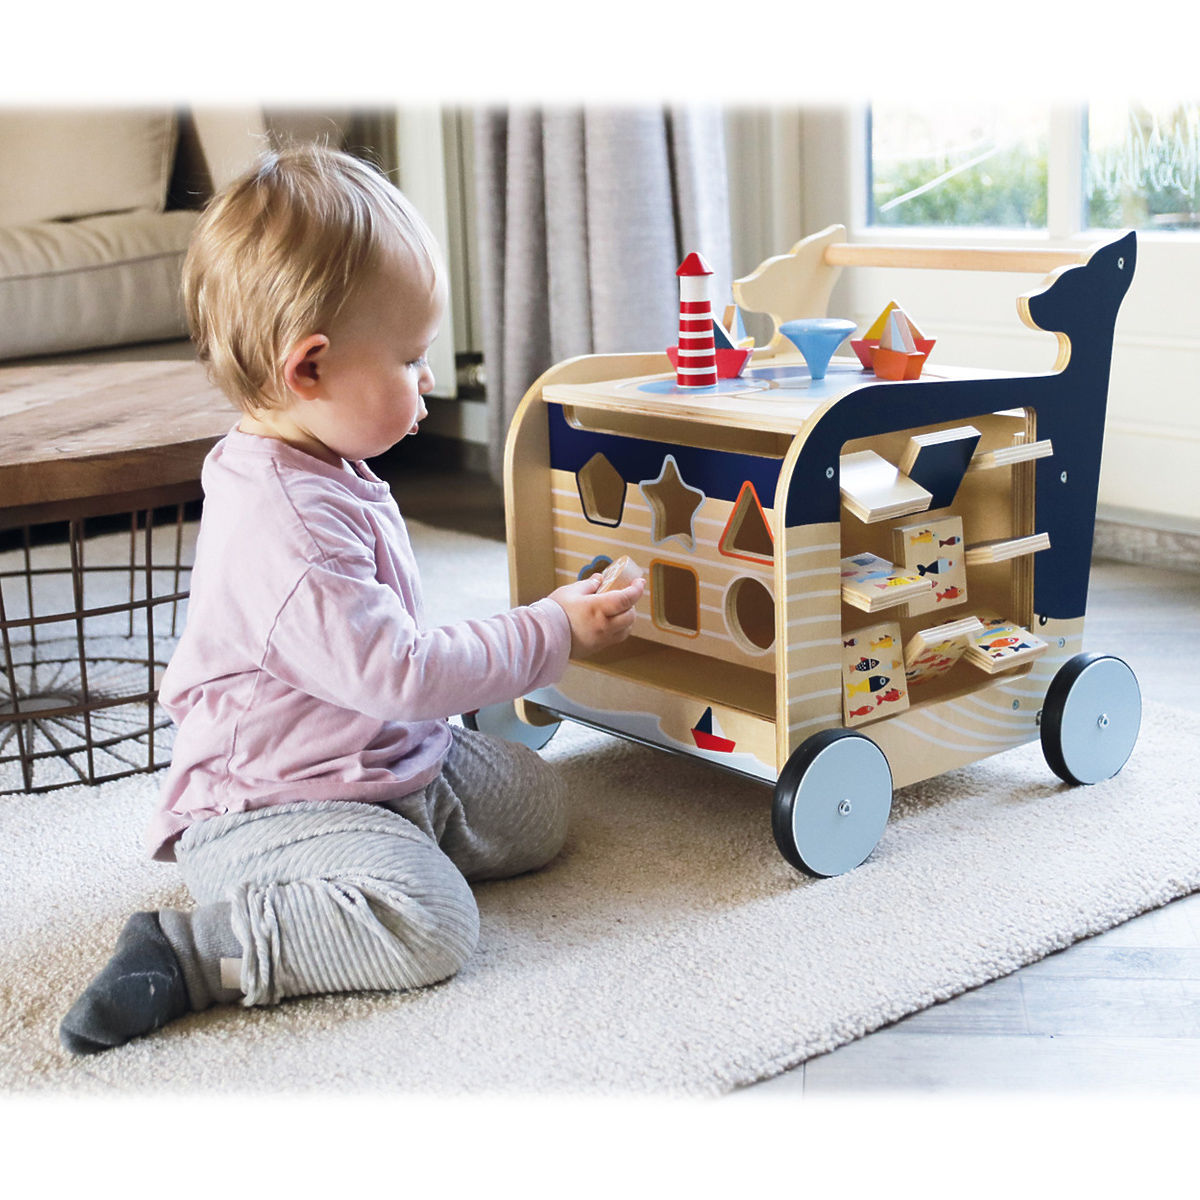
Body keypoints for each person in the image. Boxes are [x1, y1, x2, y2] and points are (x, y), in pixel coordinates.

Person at [59, 144, 643, 1055]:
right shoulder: (285, 526)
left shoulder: (322, 457)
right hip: (273, 807)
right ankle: (195, 952)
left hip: (374, 757)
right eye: (411, 358)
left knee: (538, 807)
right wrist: (550, 631)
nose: (430, 380)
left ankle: (386, 848)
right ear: (310, 369)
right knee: (431, 925)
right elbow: (400, 671)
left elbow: (389, 658)